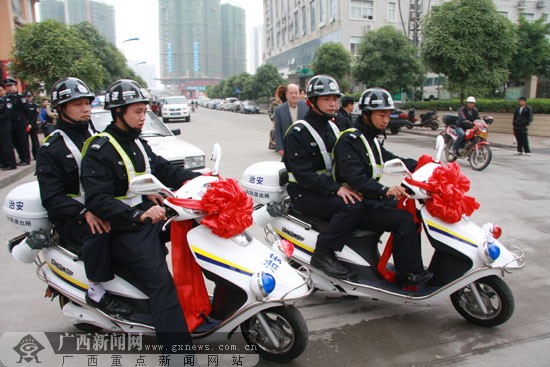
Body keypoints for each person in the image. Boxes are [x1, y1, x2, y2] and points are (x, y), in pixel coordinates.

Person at [81, 79, 199, 351]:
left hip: (148, 219)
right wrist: (137, 216)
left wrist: (207, 180)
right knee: (161, 283)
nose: (143, 117)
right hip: (123, 228)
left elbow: (165, 170)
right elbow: (97, 199)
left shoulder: (138, 143)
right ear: (118, 112)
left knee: (196, 234)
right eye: (137, 112)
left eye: (145, 111)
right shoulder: (100, 149)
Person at [36, 77, 132, 318]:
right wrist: (83, 212)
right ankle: (96, 290)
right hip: (73, 216)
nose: (85, 108)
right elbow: (52, 198)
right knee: (99, 229)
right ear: (60, 109)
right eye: (77, 104)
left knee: (140, 225)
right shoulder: (52, 148)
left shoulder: (96, 136)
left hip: (99, 205)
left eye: (87, 103)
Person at [332, 88, 433, 288]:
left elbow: (393, 159)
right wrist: (384, 190)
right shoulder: (350, 139)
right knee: (403, 220)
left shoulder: (370, 140)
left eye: (388, 115)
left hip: (371, 199)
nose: (386, 120)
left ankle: (412, 267)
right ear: (366, 114)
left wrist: (425, 165)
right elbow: (355, 179)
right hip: (357, 203)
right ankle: (409, 275)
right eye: (381, 115)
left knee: (413, 213)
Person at [283, 75, 364, 279]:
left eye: (335, 99)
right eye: (326, 99)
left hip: (327, 189)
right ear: (311, 101)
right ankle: (323, 253)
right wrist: (337, 189)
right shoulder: (297, 132)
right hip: (304, 194)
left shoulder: (334, 127)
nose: (333, 103)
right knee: (351, 205)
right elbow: (304, 175)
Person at [273, 83, 308, 156]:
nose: (294, 95)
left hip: (305, 146)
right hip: (287, 147)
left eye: (296, 93)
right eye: (291, 93)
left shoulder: (307, 107)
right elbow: (278, 130)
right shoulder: (279, 110)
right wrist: (279, 148)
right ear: (286, 94)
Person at [4, 77, 31, 166]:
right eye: (8, 86)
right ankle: (21, 157)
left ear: (15, 86)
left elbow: (27, 110)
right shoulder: (6, 98)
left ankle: (26, 159)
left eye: (11, 85)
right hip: (10, 123)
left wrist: (28, 122)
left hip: (20, 123)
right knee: (15, 142)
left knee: (22, 141)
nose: (10, 88)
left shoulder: (20, 97)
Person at [0, 80, 17, 170]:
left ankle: (11, 163)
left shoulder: (7, 100)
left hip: (5, 125)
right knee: (1, 146)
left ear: (4, 90)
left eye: (0, 90)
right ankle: (4, 163)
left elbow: (7, 113)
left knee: (7, 145)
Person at [267, 84, 286, 150]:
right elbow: (270, 111)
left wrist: (273, 119)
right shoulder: (276, 103)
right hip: (279, 119)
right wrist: (273, 119)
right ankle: (276, 144)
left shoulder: (281, 102)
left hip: (279, 119)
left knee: (278, 132)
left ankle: (278, 145)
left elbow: (269, 111)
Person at [25, 92, 40, 160]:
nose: (28, 98)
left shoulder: (35, 106)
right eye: (27, 97)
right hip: (25, 125)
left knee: (35, 141)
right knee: (25, 142)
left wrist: (31, 124)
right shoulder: (23, 105)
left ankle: (36, 155)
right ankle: (26, 156)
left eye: (29, 96)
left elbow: (35, 116)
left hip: (33, 125)